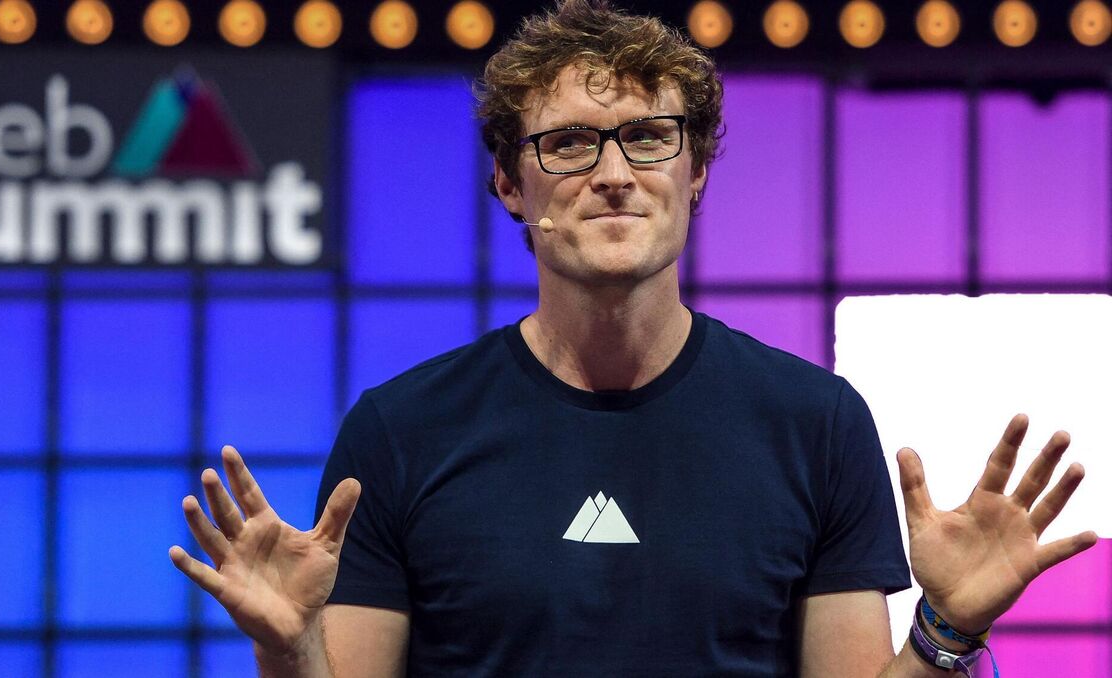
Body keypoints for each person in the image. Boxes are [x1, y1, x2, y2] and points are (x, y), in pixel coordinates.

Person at [168, 1, 1099, 675]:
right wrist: (289, 653)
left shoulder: (814, 423)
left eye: (649, 138)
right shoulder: (400, 433)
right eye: (569, 143)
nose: (614, 173)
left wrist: (946, 630)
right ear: (509, 185)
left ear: (694, 172)